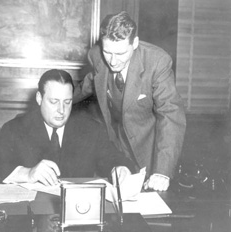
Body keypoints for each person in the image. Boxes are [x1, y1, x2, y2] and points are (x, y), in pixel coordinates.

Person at [74, 11, 186, 191]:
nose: (112, 61)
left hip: (149, 152)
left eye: (120, 53)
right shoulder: (96, 56)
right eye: (107, 52)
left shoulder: (157, 61)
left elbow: (170, 113)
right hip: (115, 149)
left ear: (134, 43)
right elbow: (87, 85)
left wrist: (162, 171)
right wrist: (61, 101)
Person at [0, 69, 135, 185]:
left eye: (67, 102)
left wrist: (120, 169)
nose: (61, 111)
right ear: (39, 99)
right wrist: (27, 173)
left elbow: (116, 159)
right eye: (54, 102)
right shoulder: (16, 129)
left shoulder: (90, 129)